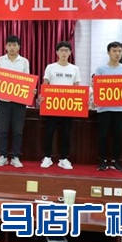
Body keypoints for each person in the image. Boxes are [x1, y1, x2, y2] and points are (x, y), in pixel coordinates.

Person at [40, 41, 81, 170]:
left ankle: (64, 158)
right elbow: (45, 83)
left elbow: (77, 87)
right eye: (61, 50)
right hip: (52, 105)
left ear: (70, 53)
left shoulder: (75, 69)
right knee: (49, 132)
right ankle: (47, 157)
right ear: (57, 52)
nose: (64, 53)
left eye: (66, 50)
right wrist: (42, 96)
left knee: (66, 133)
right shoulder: (50, 67)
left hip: (68, 106)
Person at [95, 41, 122, 172]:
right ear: (108, 53)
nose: (117, 54)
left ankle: (116, 161)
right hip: (104, 109)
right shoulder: (100, 69)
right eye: (114, 51)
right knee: (103, 135)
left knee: (119, 135)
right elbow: (97, 88)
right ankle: (102, 161)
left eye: (120, 51)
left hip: (121, 109)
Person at [0, 35, 30, 168]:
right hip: (4, 101)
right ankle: (3, 156)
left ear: (19, 47)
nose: (12, 48)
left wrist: (30, 89)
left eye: (14, 45)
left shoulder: (24, 62)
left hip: (19, 102)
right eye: (9, 45)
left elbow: (27, 80)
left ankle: (15, 156)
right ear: (5, 46)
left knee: (17, 131)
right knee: (3, 130)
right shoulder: (0, 60)